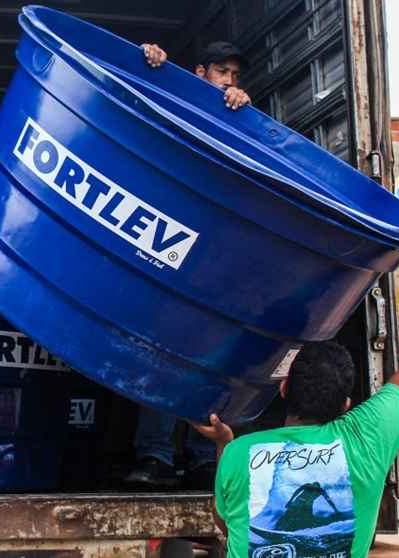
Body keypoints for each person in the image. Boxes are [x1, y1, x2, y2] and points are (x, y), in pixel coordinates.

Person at [192, 226, 399, 558]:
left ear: (283, 389)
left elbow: (231, 524)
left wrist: (225, 443)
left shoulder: (240, 454)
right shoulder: (366, 439)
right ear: (346, 405)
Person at [124, 40, 252, 490]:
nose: (229, 81)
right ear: (200, 72)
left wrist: (242, 112)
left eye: (236, 75)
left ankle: (202, 457)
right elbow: (142, 95)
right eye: (222, 72)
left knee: (209, 361)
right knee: (162, 354)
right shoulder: (177, 91)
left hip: (216, 264)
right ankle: (156, 455)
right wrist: (153, 60)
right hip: (169, 249)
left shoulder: (240, 117)